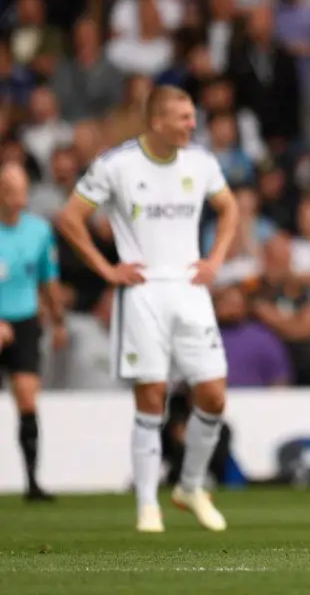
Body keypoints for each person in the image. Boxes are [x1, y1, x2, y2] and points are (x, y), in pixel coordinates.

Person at [57, 86, 240, 534]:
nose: (192, 125)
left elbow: (229, 207)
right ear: (157, 121)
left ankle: (190, 486)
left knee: (213, 395)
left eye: (192, 117)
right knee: (151, 399)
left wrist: (215, 260)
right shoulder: (117, 164)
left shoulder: (200, 162)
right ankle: (146, 506)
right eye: (183, 118)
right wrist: (107, 269)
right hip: (142, 293)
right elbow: (69, 217)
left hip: (191, 289)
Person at [0, 162, 65, 502]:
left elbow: (48, 279)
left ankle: (32, 482)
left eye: (22, 190)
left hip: (25, 320)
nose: (17, 197)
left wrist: (58, 320)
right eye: (10, 190)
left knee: (27, 397)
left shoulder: (38, 231)